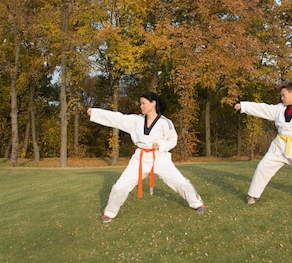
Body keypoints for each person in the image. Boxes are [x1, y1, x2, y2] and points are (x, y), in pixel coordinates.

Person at [87, 92, 207, 223]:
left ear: (153, 103)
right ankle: (109, 212)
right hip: (140, 158)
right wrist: (95, 113)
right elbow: (118, 118)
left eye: (143, 103)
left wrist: (161, 145)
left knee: (180, 182)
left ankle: (196, 202)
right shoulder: (136, 120)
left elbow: (173, 140)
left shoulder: (165, 122)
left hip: (160, 158)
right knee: (119, 186)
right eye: (140, 103)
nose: (141, 106)